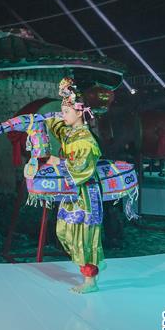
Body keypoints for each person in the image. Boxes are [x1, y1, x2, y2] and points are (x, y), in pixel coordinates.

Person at [42, 78, 106, 294]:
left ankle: (90, 281)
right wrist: (37, 120)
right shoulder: (70, 133)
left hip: (86, 194)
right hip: (72, 194)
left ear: (79, 112)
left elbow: (80, 168)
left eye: (67, 112)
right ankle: (90, 270)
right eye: (62, 112)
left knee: (84, 237)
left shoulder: (85, 139)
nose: (63, 116)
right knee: (64, 232)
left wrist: (56, 161)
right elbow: (55, 124)